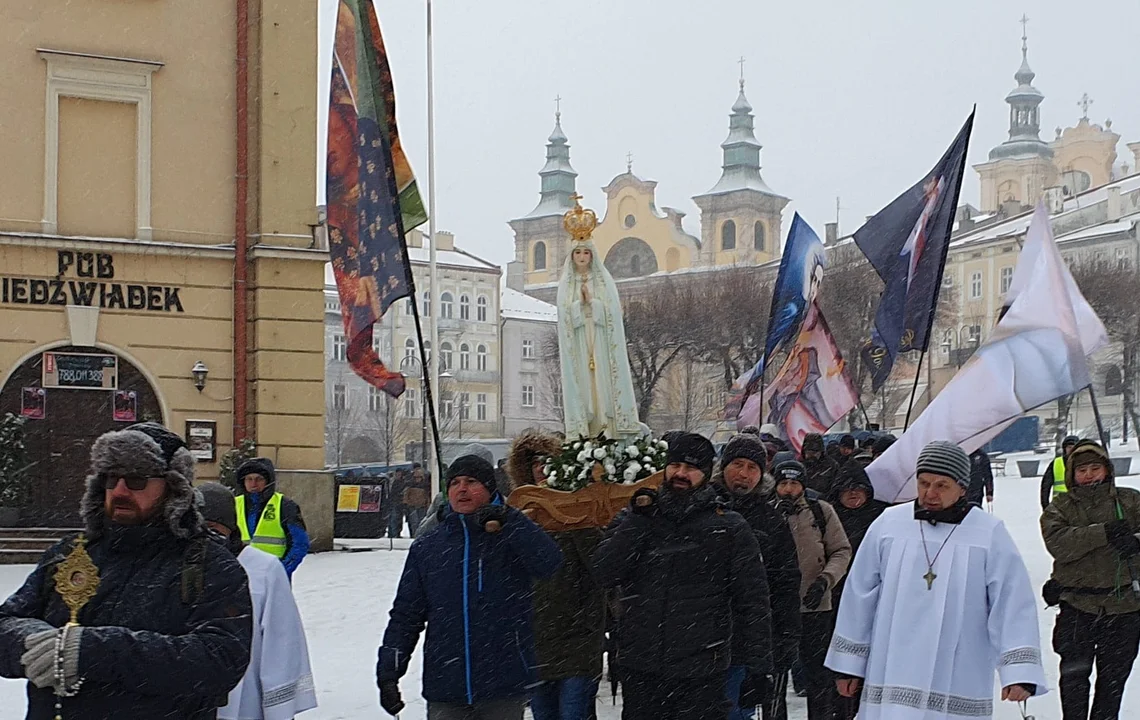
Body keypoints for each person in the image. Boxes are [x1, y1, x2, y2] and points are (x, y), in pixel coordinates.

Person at [0, 423, 252, 719]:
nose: (119, 490)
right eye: (111, 478)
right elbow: (6, 623)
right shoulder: (69, 554)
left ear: (173, 488)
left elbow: (220, 660)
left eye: (136, 480)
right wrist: (31, 641)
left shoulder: (209, 564)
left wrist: (92, 651)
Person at [827, 441, 1047, 720]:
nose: (929, 494)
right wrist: (849, 665)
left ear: (962, 488)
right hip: (893, 663)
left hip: (958, 665)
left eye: (941, 485)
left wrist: (1019, 671)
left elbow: (1012, 602)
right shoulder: (889, 525)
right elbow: (860, 595)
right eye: (923, 483)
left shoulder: (987, 533)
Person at [594, 432, 772, 720]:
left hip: (702, 669)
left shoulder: (728, 526)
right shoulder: (638, 516)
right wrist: (639, 521)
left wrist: (758, 666)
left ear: (705, 474)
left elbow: (753, 600)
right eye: (675, 465)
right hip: (642, 665)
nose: (681, 474)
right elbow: (604, 571)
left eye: (691, 468)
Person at [377, 454, 562, 719]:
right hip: (446, 687)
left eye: (471, 481)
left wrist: (511, 520)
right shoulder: (429, 547)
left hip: (502, 685)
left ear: (490, 489)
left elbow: (550, 563)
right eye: (454, 483)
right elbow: (406, 616)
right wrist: (389, 673)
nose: (461, 489)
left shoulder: (510, 536)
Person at [198, 483, 318, 720]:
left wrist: (279, 708)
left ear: (230, 528)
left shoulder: (263, 568)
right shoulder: (179, 566)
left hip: (246, 700)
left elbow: (282, 642)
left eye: (214, 528)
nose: (207, 537)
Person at [507, 430, 604, 720]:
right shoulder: (518, 513)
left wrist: (571, 516)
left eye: (547, 460)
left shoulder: (581, 507)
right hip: (535, 642)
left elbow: (600, 565)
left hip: (577, 641)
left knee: (574, 713)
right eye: (535, 462)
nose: (541, 467)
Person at [1040, 439, 1140, 720]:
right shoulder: (1059, 508)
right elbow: (1059, 544)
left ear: (1107, 469)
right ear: (1072, 473)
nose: (1089, 475)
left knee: (1112, 686)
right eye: (1082, 470)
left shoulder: (1130, 501)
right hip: (1077, 607)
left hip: (1124, 609)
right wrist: (1103, 533)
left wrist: (1134, 541)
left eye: (1095, 468)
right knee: (1074, 682)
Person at [712, 433, 801, 720]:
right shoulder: (703, 508)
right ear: (723, 467)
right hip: (698, 641)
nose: (744, 474)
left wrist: (786, 638)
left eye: (753, 468)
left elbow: (785, 583)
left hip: (745, 644)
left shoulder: (770, 520)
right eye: (737, 464)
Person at [773, 459, 851, 720]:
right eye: (783, 482)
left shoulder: (821, 511)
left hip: (816, 606)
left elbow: (841, 550)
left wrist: (825, 580)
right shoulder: (766, 512)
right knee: (775, 680)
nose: (788, 489)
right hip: (776, 609)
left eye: (794, 483)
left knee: (818, 677)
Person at [556, 228, 641, 440]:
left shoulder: (602, 280)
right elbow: (564, 315)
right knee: (584, 382)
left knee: (603, 380)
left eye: (586, 253)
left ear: (592, 255)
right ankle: (586, 427)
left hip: (601, 341)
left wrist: (592, 304)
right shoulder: (567, 284)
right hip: (579, 343)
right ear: (572, 256)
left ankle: (608, 422)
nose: (582, 257)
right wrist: (579, 306)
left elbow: (612, 311)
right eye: (577, 253)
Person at [236, 458, 310, 580]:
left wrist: (281, 570)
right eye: (249, 479)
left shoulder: (284, 505)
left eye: (259, 479)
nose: (253, 484)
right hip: (241, 578)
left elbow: (300, 543)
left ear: (268, 481)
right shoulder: (234, 504)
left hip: (273, 577)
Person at [1041, 435, 1080, 510]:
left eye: (1073, 447)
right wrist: (1045, 506)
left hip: (1080, 505)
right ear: (1064, 449)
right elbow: (1045, 486)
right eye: (1069, 447)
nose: (1071, 450)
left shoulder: (1084, 463)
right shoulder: (1056, 463)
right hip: (1060, 506)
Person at [800, 433, 839, 498]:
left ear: (821, 452)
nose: (811, 455)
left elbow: (836, 488)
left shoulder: (831, 465)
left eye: (814, 453)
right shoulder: (800, 466)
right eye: (808, 452)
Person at [402, 463, 431, 534]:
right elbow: (406, 495)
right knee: (414, 521)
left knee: (420, 521)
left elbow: (426, 496)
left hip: (421, 505)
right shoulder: (411, 484)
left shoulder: (424, 485)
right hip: (413, 505)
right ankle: (415, 534)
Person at [386, 470, 407, 539]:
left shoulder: (401, 482)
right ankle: (393, 533)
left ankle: (396, 533)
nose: (398, 475)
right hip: (394, 502)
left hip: (398, 503)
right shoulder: (394, 482)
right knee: (393, 518)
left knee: (397, 519)